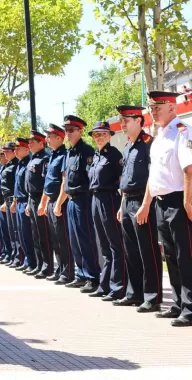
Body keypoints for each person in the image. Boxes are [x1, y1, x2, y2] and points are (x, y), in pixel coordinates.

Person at [138, 91, 192, 326]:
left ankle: (190, 308)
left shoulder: (182, 131)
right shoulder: (159, 136)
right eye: (151, 107)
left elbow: (189, 169)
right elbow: (154, 175)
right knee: (170, 256)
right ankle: (178, 304)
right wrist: (146, 203)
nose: (153, 111)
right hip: (161, 203)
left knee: (185, 256)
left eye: (157, 107)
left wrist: (188, 203)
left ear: (172, 107)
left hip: (179, 202)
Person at [115, 105, 162, 312]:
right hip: (127, 202)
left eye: (126, 120)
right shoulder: (127, 147)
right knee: (131, 251)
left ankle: (152, 297)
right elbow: (126, 179)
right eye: (121, 120)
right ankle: (134, 294)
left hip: (143, 201)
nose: (122, 124)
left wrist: (145, 205)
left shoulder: (148, 144)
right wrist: (121, 205)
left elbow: (152, 177)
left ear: (138, 121)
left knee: (147, 250)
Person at [57, 115, 100, 293]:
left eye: (71, 130)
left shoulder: (86, 151)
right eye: (66, 130)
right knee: (74, 239)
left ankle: (92, 277)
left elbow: (91, 178)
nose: (68, 133)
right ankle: (81, 274)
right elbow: (65, 180)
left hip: (83, 199)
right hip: (71, 200)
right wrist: (60, 202)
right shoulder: (68, 153)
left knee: (86, 238)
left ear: (80, 131)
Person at [87, 121, 126, 301]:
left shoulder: (114, 154)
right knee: (103, 245)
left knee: (115, 244)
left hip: (109, 199)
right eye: (96, 134)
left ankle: (118, 287)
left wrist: (121, 204)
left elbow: (122, 179)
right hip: (95, 198)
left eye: (103, 134)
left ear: (109, 136)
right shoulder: (95, 156)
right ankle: (105, 285)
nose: (100, 137)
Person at [38, 124, 74, 285]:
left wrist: (59, 203)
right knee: (55, 239)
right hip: (51, 201)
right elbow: (48, 182)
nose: (47, 139)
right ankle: (60, 269)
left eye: (49, 136)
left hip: (61, 201)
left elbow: (63, 182)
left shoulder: (64, 156)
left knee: (63, 238)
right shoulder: (52, 156)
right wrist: (44, 202)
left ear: (59, 138)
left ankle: (68, 272)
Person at [25, 131, 53, 279]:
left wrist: (43, 202)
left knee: (44, 235)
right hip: (32, 199)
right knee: (35, 235)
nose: (29, 144)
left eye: (32, 142)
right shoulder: (33, 159)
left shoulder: (44, 158)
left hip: (41, 198)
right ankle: (39, 264)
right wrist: (29, 203)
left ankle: (47, 267)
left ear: (41, 143)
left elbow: (45, 184)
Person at [12, 138, 36, 273]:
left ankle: (33, 262)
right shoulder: (20, 164)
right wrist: (15, 201)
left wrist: (28, 202)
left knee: (28, 234)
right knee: (21, 233)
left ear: (26, 150)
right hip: (19, 201)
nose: (15, 151)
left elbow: (29, 187)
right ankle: (27, 260)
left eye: (18, 149)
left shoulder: (28, 164)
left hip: (26, 201)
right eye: (15, 149)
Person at [0, 142, 22, 268]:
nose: (5, 154)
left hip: (13, 199)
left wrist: (14, 201)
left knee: (16, 230)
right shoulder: (8, 165)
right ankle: (14, 255)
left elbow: (15, 186)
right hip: (7, 200)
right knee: (10, 230)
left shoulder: (16, 165)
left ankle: (19, 257)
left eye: (7, 151)